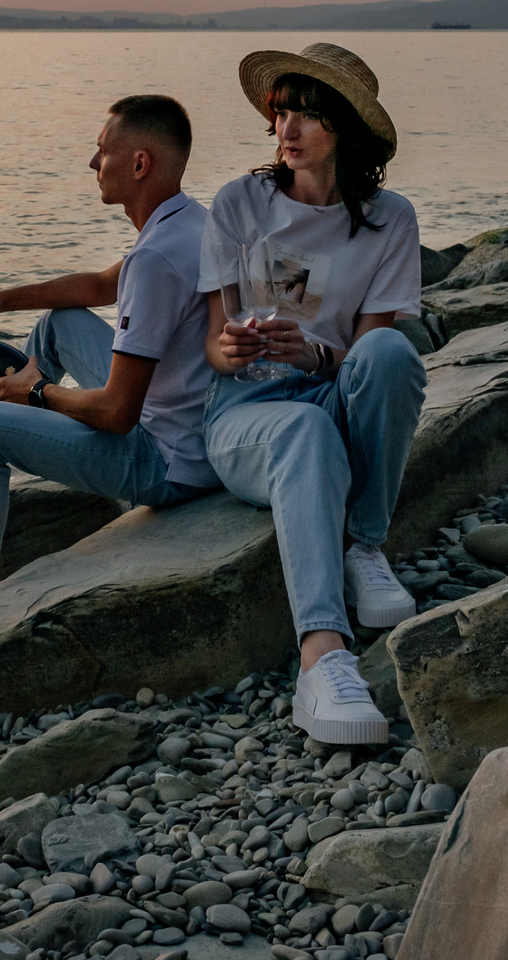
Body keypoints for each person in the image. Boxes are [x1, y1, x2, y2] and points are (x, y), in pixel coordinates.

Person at [0, 94, 220, 661]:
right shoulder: (188, 222)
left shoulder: (157, 258)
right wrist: (2, 300)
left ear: (139, 164)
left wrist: (35, 392)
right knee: (59, 323)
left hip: (168, 461)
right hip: (188, 427)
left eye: (102, 150)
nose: (92, 163)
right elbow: (94, 289)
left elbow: (117, 414)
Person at [198, 43, 428, 745]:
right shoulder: (240, 203)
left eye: (309, 114)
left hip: (330, 393)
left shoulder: (391, 219)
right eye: (282, 111)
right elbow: (214, 341)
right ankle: (321, 659)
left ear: (347, 129)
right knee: (301, 429)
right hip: (248, 416)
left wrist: (319, 351)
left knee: (393, 352)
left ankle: (365, 543)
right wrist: (229, 348)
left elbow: (370, 352)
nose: (288, 128)